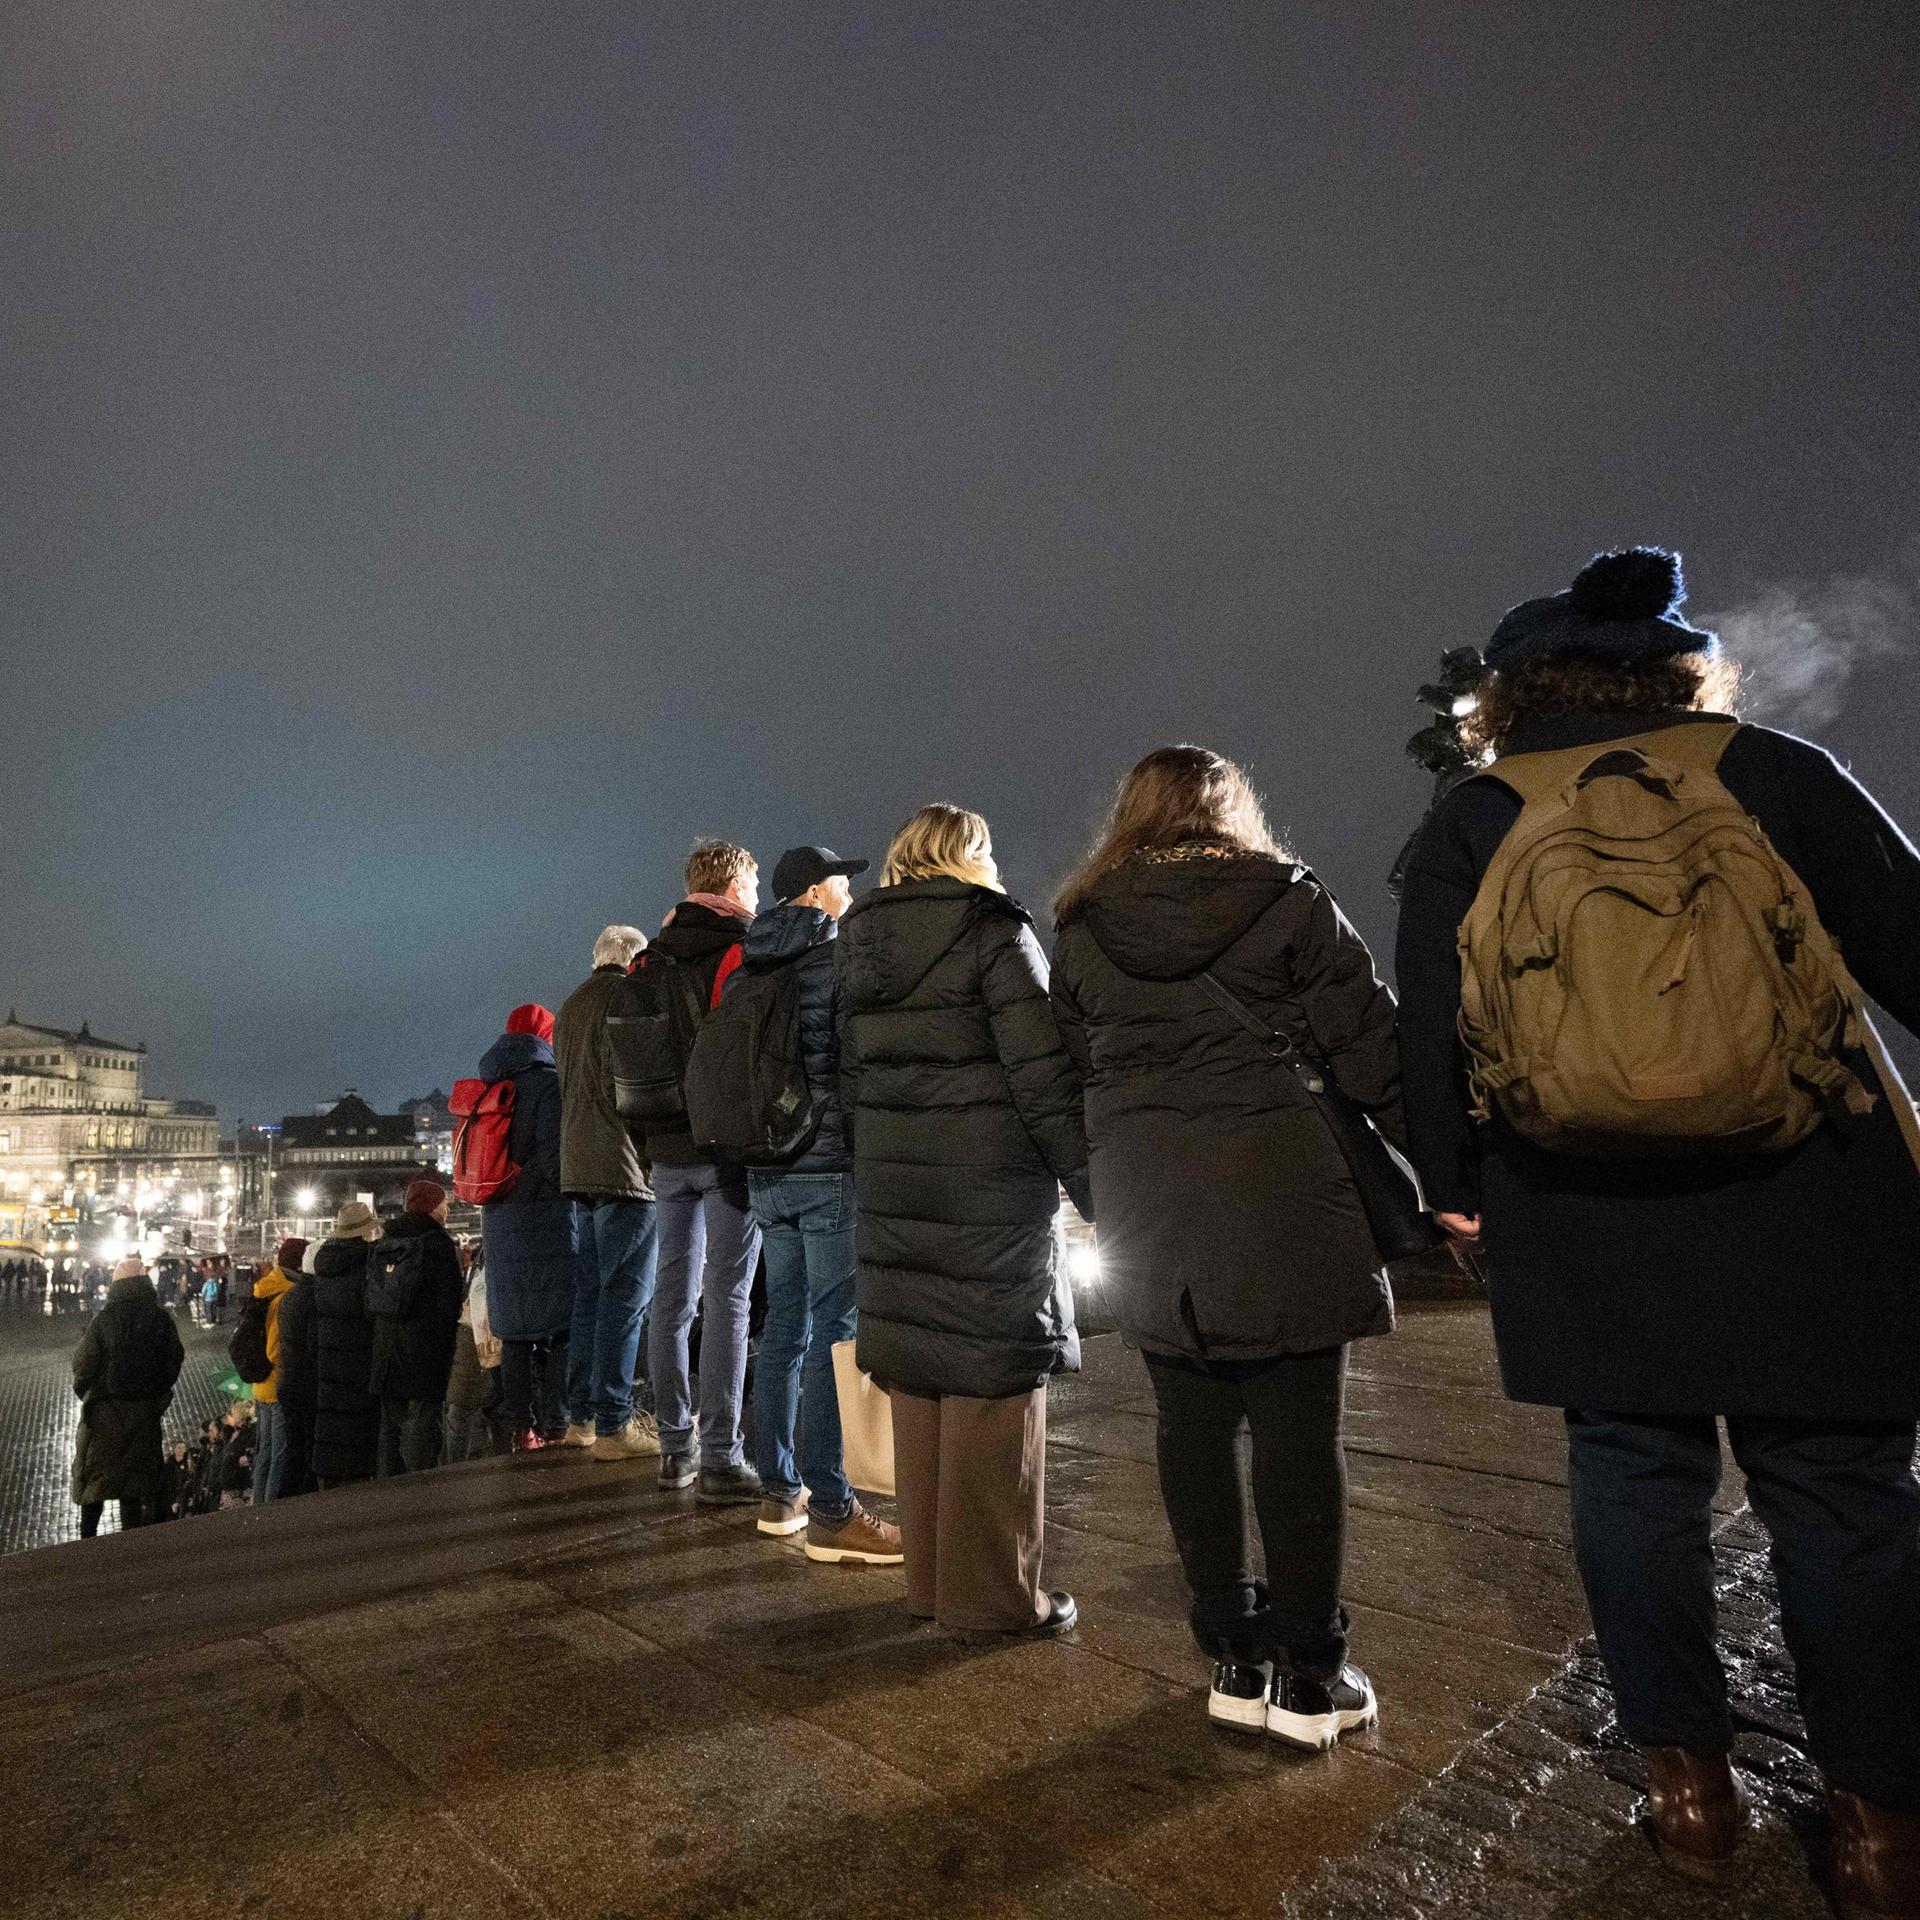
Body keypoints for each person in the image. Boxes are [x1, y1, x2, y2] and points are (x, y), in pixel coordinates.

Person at [1394, 547, 1920, 1911]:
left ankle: (1691, 1794)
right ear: (1677, 668)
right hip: (1811, 1194)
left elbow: (1429, 1027)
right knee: (1845, 1507)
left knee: (1632, 1489)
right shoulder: (1772, 771)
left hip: (1579, 1208)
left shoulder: (1478, 817)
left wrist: (1452, 1183)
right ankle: (1878, 1823)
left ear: (1513, 692)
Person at [1051, 745, 1400, 1747]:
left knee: (1190, 1431)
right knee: (1298, 1441)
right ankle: (1309, 1675)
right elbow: (1371, 1046)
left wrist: (1107, 1178)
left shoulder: (1082, 930)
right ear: (1231, 810)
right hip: (1284, 1191)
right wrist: (1458, 1182)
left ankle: (1233, 1658)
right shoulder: (1287, 900)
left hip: (1152, 1204)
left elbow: (1074, 1067)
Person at [841, 804, 1091, 1634]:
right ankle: (993, 1600)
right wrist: (1096, 1189)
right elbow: (1044, 1076)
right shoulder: (993, 932)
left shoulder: (857, 944)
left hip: (894, 1184)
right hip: (988, 1189)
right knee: (993, 1382)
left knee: (919, 1378)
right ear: (970, 855)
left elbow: (845, 1081)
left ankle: (930, 1584)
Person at [736, 844, 901, 1565]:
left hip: (767, 1170)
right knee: (837, 1333)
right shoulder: (833, 959)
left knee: (783, 1330)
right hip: (829, 1166)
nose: (847, 893)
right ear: (812, 893)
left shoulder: (749, 965)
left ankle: (781, 1492)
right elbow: (856, 1063)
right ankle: (834, 1509)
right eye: (840, 882)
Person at [646, 840, 764, 1503]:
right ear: (736, 884)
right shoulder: (739, 952)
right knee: (729, 1299)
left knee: (672, 1300)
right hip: (723, 1149)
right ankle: (721, 1454)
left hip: (665, 1150)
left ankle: (673, 1450)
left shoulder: (650, 957)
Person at [555, 924, 663, 1461]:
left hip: (578, 1168)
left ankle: (581, 1420)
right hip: (626, 1171)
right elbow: (637, 1084)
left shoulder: (570, 1006)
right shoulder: (627, 999)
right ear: (634, 959)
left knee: (590, 1299)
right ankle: (617, 1424)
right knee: (626, 1297)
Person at [476, 1004, 576, 1450]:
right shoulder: (547, 1084)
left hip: (499, 1219)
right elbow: (556, 1159)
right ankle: (556, 1422)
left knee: (514, 1330)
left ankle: (519, 1426)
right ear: (544, 1038)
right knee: (559, 1326)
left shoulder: (489, 1085)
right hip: (546, 1218)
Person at [70, 1254, 185, 1537]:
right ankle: (129, 1551)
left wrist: (87, 1392)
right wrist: (157, 1393)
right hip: (144, 1412)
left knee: (94, 1484)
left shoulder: (104, 1320)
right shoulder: (160, 1318)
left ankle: (85, 1547)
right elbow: (174, 1359)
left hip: (105, 1414)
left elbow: (83, 1363)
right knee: (133, 1487)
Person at [369, 1179, 466, 1476]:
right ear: (432, 1207)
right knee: (424, 1424)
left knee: (391, 1429)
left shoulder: (383, 1243)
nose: (447, 1209)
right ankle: (423, 1489)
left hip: (386, 1348)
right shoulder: (437, 1244)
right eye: (443, 1204)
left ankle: (388, 1487)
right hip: (425, 1350)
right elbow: (450, 1302)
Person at [310, 1200, 382, 1488]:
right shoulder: (366, 1265)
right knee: (357, 1422)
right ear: (364, 1233)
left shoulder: (324, 1266)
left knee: (331, 1417)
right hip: (359, 1356)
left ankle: (329, 1477)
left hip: (329, 1356)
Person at [248, 1236, 306, 1504]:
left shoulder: (266, 1287)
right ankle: (268, 1512)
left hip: (261, 1386)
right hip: (277, 1385)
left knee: (265, 1452)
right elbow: (274, 1349)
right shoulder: (285, 1294)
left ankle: (256, 1505)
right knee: (278, 1455)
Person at [273, 1241, 321, 1499]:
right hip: (306, 1383)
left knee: (293, 1446)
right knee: (307, 1446)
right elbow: (314, 1345)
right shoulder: (314, 1300)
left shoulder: (290, 1296)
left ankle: (284, 1498)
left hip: (288, 1380)